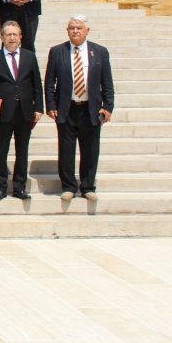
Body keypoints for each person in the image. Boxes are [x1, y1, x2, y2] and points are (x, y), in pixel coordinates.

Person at [44, 15, 114, 202]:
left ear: (87, 30)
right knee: (66, 150)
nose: (75, 31)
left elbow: (107, 82)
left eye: (79, 28)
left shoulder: (100, 52)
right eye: (71, 28)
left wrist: (107, 107)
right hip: (66, 108)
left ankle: (88, 186)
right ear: (67, 31)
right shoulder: (57, 51)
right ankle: (68, 186)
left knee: (90, 150)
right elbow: (50, 81)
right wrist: (50, 105)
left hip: (90, 109)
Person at [0, 21, 43, 201]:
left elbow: (37, 85)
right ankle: (0, 187)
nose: (11, 38)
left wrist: (39, 107)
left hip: (25, 111)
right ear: (1, 37)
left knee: (22, 151)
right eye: (8, 34)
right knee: (1, 151)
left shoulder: (29, 57)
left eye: (15, 34)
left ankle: (19, 187)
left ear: (20, 37)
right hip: (3, 112)